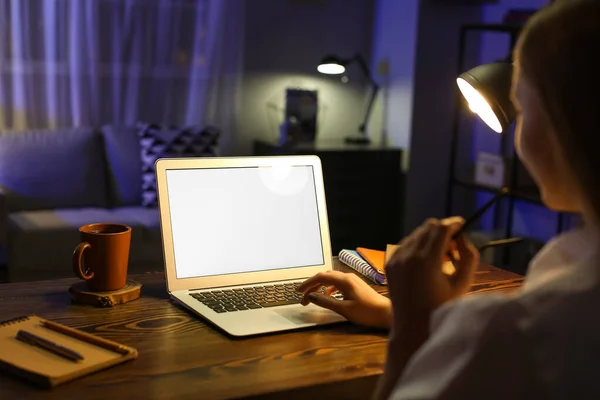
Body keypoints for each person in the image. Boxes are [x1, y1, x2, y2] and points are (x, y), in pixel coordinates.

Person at [296, 0, 600, 398]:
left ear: (568, 124)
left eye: (522, 107)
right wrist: (406, 313)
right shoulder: (569, 268)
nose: (515, 132)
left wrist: (412, 331)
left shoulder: (519, 333)